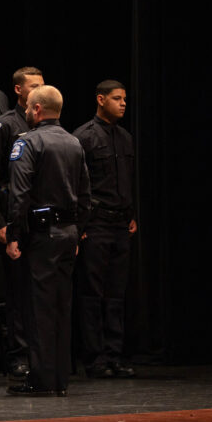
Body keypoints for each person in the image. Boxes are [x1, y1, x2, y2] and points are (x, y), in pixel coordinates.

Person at [6, 85, 91, 397]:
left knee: (39, 306)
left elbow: (19, 195)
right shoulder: (74, 142)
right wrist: (78, 230)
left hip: (41, 234)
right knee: (61, 305)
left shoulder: (28, 142)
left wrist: (15, 234)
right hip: (68, 233)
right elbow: (85, 195)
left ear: (37, 109)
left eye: (29, 107)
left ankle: (41, 379)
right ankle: (60, 378)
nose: (26, 111)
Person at [72, 80, 138, 379]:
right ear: (101, 100)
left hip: (120, 224)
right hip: (95, 223)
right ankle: (95, 358)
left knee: (116, 294)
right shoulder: (83, 137)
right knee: (92, 294)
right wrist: (79, 224)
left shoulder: (124, 137)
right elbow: (75, 185)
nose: (123, 103)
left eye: (125, 99)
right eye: (117, 98)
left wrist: (131, 214)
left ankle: (115, 355)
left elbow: (127, 181)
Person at [0, 66, 44, 379]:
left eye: (42, 85)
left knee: (40, 293)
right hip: (12, 218)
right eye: (33, 85)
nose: (39, 89)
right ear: (19, 90)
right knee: (18, 293)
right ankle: (18, 355)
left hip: (41, 220)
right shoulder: (4, 125)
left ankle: (41, 352)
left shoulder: (46, 124)